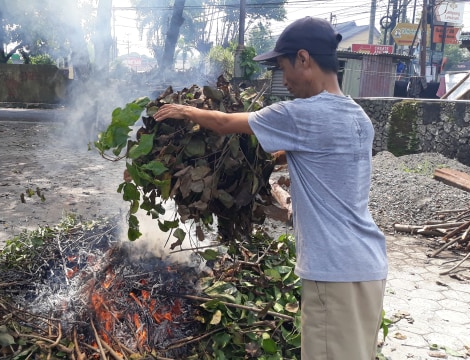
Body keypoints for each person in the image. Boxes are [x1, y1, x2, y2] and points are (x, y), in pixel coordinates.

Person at [153, 17, 387, 360]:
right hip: (369, 265)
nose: (283, 79)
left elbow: (222, 122)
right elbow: (315, 161)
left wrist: (184, 110)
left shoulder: (300, 115)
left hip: (334, 271)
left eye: (282, 66)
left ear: (304, 59)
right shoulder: (358, 117)